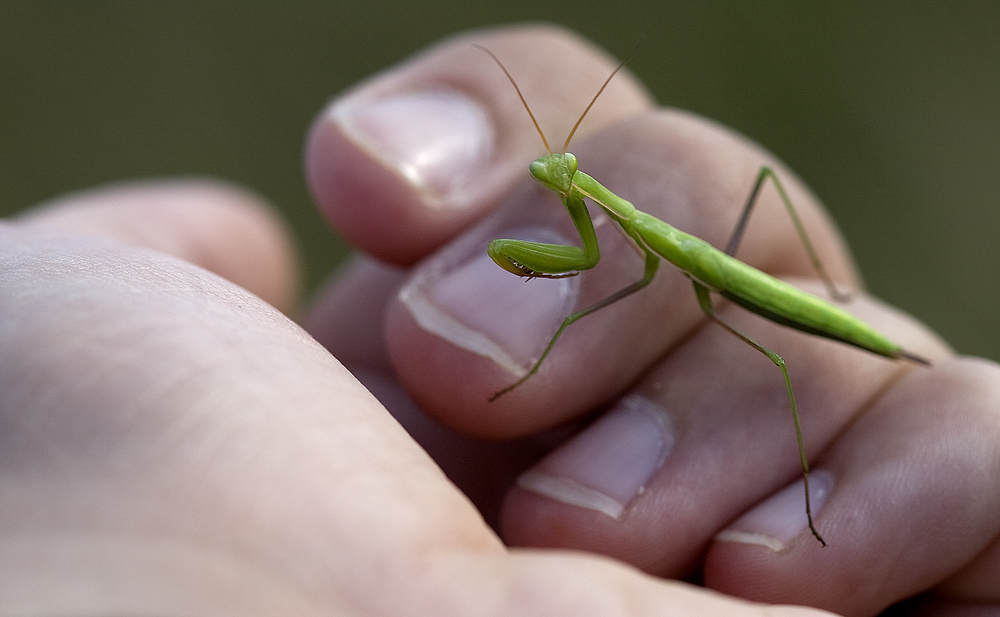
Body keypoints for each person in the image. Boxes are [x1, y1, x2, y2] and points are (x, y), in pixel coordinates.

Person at [1, 24, 995, 616]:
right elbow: (592, 276)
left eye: (562, 174)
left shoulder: (632, 230)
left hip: (779, 308)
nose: (548, 177)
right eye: (555, 172)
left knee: (774, 361)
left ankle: (817, 488)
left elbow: (594, 287)